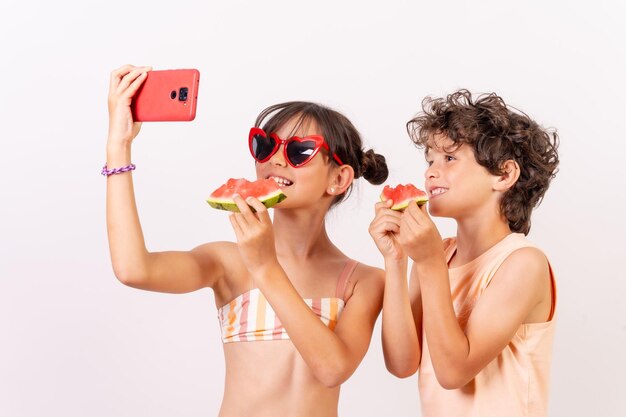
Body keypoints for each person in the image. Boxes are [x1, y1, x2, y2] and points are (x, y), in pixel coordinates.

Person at [105, 65, 388, 416]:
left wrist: (266, 267)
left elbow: (331, 369)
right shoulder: (227, 262)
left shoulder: (365, 281)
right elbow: (133, 270)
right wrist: (119, 146)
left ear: (339, 178)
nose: (276, 160)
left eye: (300, 151)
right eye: (265, 145)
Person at [369, 89, 559, 417]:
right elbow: (401, 364)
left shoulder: (523, 263)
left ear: (503, 175)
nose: (430, 171)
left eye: (449, 158)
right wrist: (396, 261)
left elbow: (453, 372)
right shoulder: (438, 255)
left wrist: (428, 263)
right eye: (429, 160)